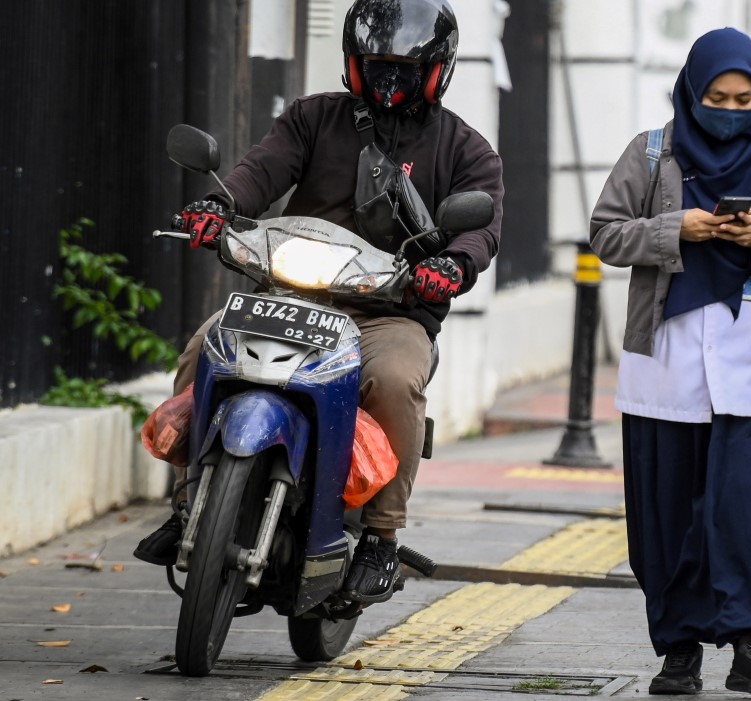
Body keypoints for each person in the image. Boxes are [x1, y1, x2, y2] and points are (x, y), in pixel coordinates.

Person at [133, 0, 504, 606]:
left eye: (404, 70)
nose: (388, 80)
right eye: (375, 65)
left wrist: (451, 264)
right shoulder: (312, 119)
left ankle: (381, 539)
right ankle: (188, 498)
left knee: (393, 381)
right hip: (289, 290)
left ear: (436, 70)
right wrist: (218, 205)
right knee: (205, 349)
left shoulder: (467, 149)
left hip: (389, 312)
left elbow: (481, 227)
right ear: (352, 64)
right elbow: (260, 169)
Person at [591, 27, 751, 697]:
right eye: (715, 96)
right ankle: (680, 650)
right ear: (691, 91)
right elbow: (605, 229)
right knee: (667, 512)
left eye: (743, 98)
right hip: (664, 361)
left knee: (743, 509)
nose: (728, 110)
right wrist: (675, 229)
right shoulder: (651, 152)